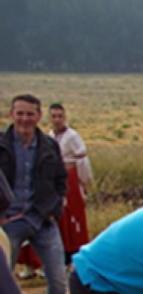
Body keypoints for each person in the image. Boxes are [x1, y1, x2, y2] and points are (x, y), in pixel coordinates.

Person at [0, 94, 81, 294]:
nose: (25, 119)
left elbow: (60, 179)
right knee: (3, 280)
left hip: (41, 219)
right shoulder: (1, 145)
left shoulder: (48, 145)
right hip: (8, 222)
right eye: (20, 113)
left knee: (57, 276)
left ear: (38, 116)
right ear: (11, 114)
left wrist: (55, 208)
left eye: (30, 114)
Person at [48, 103, 93, 263]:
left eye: (60, 116)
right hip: (56, 177)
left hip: (71, 177)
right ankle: (63, 250)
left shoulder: (72, 136)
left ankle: (76, 250)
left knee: (74, 213)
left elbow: (82, 159)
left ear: (65, 117)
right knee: (61, 215)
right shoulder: (50, 135)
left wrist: (83, 183)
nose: (57, 119)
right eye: (54, 116)